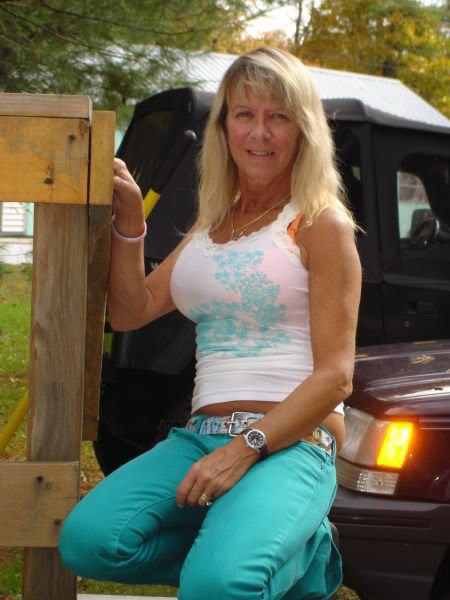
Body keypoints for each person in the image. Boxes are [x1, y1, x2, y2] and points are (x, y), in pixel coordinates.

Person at [58, 46, 361, 599]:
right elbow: (131, 310)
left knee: (217, 586)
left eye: (278, 116)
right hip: (199, 436)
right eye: (245, 114)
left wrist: (243, 449)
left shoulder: (320, 224)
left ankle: (279, 554)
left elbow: (337, 377)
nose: (260, 132)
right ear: (223, 128)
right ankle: (266, 550)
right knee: (89, 542)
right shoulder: (214, 226)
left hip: (293, 441)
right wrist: (131, 222)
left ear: (303, 130)